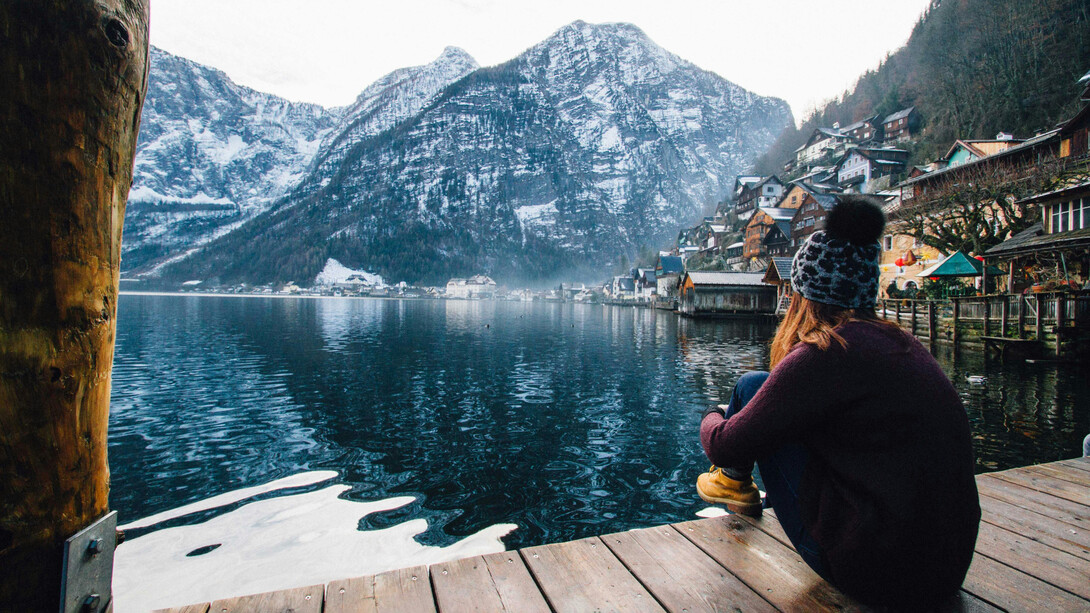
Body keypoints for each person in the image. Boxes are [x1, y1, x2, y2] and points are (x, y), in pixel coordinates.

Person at [697, 196, 981, 607]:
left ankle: (732, 481)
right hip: (947, 567)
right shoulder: (903, 344)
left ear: (805, 294)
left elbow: (723, 442)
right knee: (760, 386)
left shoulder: (824, 354)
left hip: (875, 573)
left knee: (750, 394)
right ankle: (734, 480)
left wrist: (715, 414)